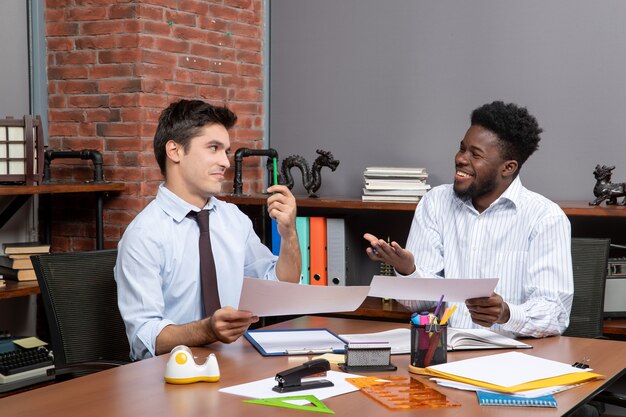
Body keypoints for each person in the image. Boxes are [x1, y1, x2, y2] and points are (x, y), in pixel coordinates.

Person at [364, 101, 574, 338]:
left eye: (475, 154)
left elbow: (555, 314)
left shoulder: (545, 218)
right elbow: (420, 306)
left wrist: (506, 313)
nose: (461, 159)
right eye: (462, 148)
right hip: (445, 353)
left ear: (508, 167)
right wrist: (407, 270)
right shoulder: (435, 203)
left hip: (513, 360)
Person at [114, 99, 301, 360]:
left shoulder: (233, 218)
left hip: (235, 364)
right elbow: (144, 339)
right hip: (169, 377)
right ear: (175, 151)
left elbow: (281, 285)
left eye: (226, 151)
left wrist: (289, 233)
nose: (225, 161)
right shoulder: (144, 235)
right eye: (213, 148)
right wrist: (207, 330)